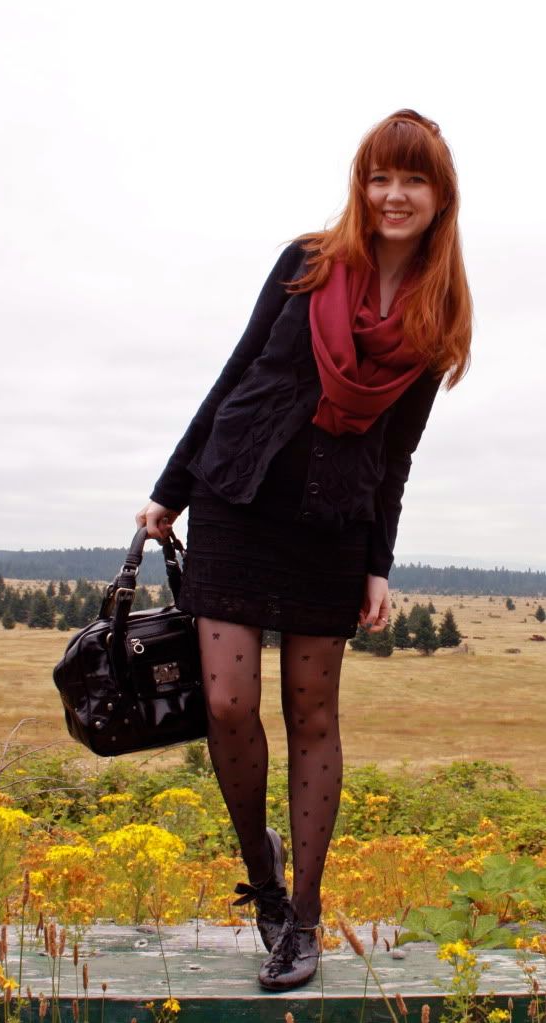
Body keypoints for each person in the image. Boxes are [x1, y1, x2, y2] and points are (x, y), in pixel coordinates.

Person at [135, 109, 472, 991]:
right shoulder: (306, 263)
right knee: (227, 700)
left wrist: (379, 559)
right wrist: (171, 488)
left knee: (312, 714)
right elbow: (239, 369)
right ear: (362, 185)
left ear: (440, 198)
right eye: (379, 177)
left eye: (413, 180)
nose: (393, 195)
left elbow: (397, 453)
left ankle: (307, 921)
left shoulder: (437, 317)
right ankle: (266, 872)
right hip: (237, 500)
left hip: (333, 525)